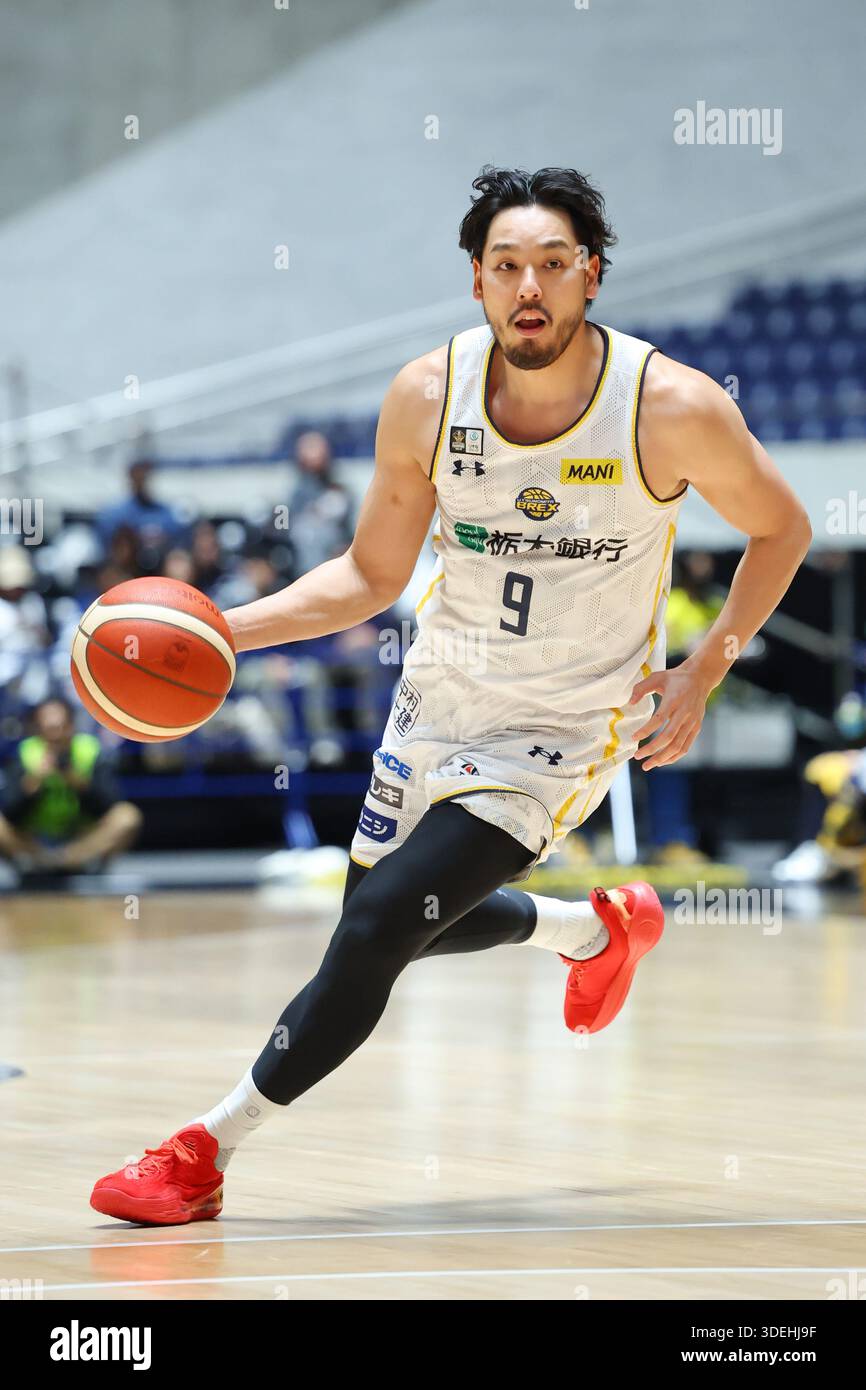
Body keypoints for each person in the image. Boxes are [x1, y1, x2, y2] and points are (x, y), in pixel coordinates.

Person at [90, 165, 812, 1225]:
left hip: (561, 726)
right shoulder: (427, 395)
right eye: (506, 266)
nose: (530, 287)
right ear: (475, 281)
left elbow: (781, 526)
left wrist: (703, 668)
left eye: (553, 266)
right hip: (438, 696)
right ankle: (588, 932)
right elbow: (370, 575)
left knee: (379, 923)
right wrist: (218, 631)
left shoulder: (669, 407)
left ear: (590, 277)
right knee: (383, 918)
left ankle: (203, 1151)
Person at [0, 697, 142, 879]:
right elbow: (9, 812)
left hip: (80, 838)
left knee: (128, 816)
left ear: (71, 726)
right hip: (35, 840)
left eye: (60, 729)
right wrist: (32, 784)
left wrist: (80, 783)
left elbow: (111, 804)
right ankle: (37, 863)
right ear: (38, 730)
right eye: (49, 730)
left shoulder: (89, 749)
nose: (56, 738)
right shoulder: (26, 752)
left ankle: (68, 861)